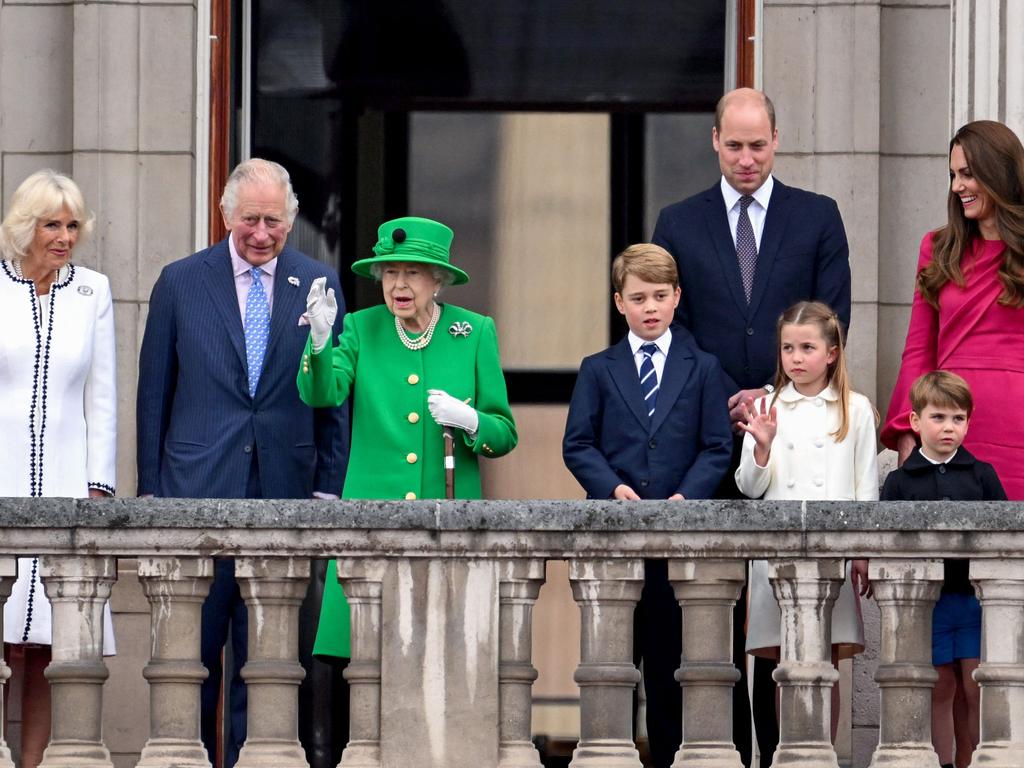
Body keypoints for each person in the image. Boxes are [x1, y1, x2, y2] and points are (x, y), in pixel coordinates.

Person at [651, 87, 852, 765]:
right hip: (705, 443)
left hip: (791, 437)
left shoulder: (817, 217)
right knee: (704, 611)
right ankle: (714, 753)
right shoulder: (678, 222)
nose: (745, 158)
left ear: (777, 139)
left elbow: (832, 319)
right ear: (714, 140)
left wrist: (769, 392)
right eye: (733, 145)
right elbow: (668, 331)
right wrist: (722, 399)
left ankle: (784, 755)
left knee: (782, 616)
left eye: (757, 145)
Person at [136, 158, 348, 768]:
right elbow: (156, 391)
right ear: (227, 214)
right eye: (251, 219)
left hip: (284, 492)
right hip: (195, 493)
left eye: (274, 222)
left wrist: (327, 492)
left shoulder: (317, 281)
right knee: (191, 663)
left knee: (271, 665)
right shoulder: (180, 281)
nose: (261, 233)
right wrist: (150, 493)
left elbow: (334, 394)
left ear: (293, 220)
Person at [298, 215, 517, 659]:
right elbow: (322, 393)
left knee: (443, 660)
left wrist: (470, 420)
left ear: (437, 280)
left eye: (412, 273)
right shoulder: (362, 327)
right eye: (391, 272)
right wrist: (320, 342)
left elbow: (505, 432)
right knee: (369, 662)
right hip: (371, 525)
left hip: (448, 528)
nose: (399, 285)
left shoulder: (473, 333)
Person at [562, 243, 733, 767]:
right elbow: (578, 444)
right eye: (639, 298)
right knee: (611, 670)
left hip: (677, 548)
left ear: (678, 297)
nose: (650, 307)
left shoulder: (702, 367)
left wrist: (688, 495)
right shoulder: (598, 368)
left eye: (660, 295)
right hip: (615, 545)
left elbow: (717, 446)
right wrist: (612, 489)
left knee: (668, 672)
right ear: (620, 303)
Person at [0, 170, 116, 768]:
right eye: (53, 224)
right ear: (26, 226)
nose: (65, 237)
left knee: (51, 646)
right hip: (2, 478)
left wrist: (100, 484)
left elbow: (102, 396)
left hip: (69, 482)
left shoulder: (92, 291)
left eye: (73, 225)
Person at [735, 301, 876, 738]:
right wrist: (761, 447)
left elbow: (865, 490)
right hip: (777, 558)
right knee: (784, 663)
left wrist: (863, 554)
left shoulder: (855, 409)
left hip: (831, 557)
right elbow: (748, 486)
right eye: (788, 348)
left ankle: (824, 755)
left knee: (826, 664)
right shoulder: (768, 405)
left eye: (807, 348)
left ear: (832, 352)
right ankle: (788, 753)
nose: (796, 358)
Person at [882, 120, 1024, 500]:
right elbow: (918, 348)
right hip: (951, 420)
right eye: (952, 175)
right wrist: (906, 428)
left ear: (999, 174)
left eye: (967, 174)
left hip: (1017, 425)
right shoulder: (938, 248)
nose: (956, 186)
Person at [881, 371, 1006, 768]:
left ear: (968, 422)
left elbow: (1005, 534)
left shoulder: (982, 474)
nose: (948, 427)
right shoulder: (899, 481)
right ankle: (941, 762)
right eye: (938, 417)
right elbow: (887, 543)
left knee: (975, 686)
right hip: (926, 606)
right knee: (939, 687)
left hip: (972, 602)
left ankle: (973, 760)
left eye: (957, 418)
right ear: (916, 422)